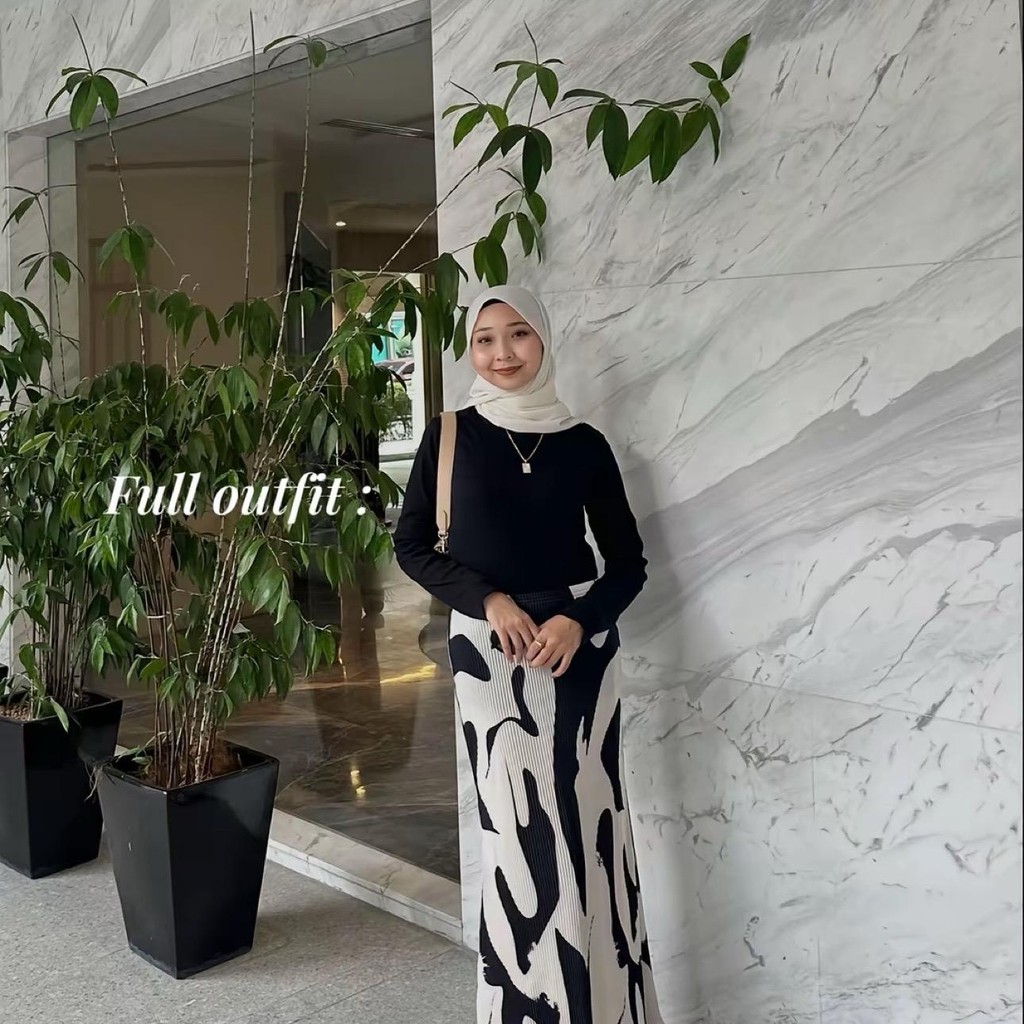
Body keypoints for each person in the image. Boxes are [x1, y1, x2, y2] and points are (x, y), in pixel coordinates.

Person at [394, 285, 663, 1024]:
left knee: (590, 825)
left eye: (518, 335)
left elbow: (629, 564)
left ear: (543, 340)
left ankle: (607, 1006)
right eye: (484, 339)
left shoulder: (583, 443)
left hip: (579, 654)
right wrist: (488, 600)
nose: (502, 353)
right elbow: (412, 545)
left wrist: (580, 619)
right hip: (491, 655)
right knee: (516, 834)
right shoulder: (451, 434)